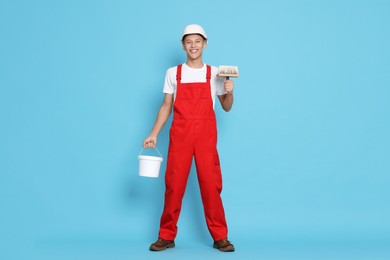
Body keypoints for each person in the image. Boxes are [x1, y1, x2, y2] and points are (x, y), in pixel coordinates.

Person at [143, 24, 235, 252]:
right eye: (188, 42)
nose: (193, 46)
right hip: (180, 136)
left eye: (197, 41)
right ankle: (166, 236)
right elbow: (166, 106)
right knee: (173, 185)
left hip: (205, 137)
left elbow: (226, 107)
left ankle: (220, 236)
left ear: (205, 44)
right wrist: (153, 134)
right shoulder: (173, 73)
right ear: (183, 45)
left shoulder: (215, 73)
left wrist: (230, 91)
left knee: (211, 186)